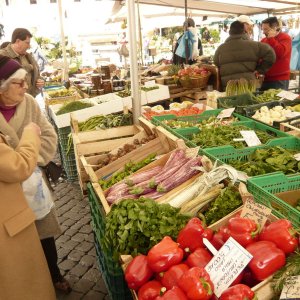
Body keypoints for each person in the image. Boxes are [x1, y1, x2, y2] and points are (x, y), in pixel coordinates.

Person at [0, 55, 71, 294]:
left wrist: (32, 163)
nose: (26, 87)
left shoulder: (29, 103)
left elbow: (49, 137)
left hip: (33, 184)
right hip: (7, 195)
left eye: (25, 81)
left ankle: (54, 274)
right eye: (18, 83)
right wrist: (18, 159)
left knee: (44, 233)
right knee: (17, 244)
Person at [0, 121, 56, 300]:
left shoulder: (29, 103)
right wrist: (30, 133)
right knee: (23, 285)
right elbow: (19, 165)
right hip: (7, 226)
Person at [213, 21, 276, 91]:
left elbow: (216, 62)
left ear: (230, 32)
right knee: (250, 101)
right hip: (249, 86)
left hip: (229, 87)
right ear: (244, 31)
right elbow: (271, 54)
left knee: (230, 101)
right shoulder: (254, 45)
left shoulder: (221, 48)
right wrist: (260, 70)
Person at [0, 28, 44, 97]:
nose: (29, 46)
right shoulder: (2, 55)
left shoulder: (28, 56)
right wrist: (28, 67)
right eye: (27, 43)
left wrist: (40, 81)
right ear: (18, 41)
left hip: (29, 100)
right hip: (11, 104)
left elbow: (37, 75)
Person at [260, 16, 292, 91]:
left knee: (278, 102)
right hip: (265, 78)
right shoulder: (264, 40)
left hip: (280, 79)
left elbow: (280, 53)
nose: (263, 32)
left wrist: (272, 39)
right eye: (263, 29)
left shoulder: (285, 38)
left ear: (274, 28)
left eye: (266, 29)